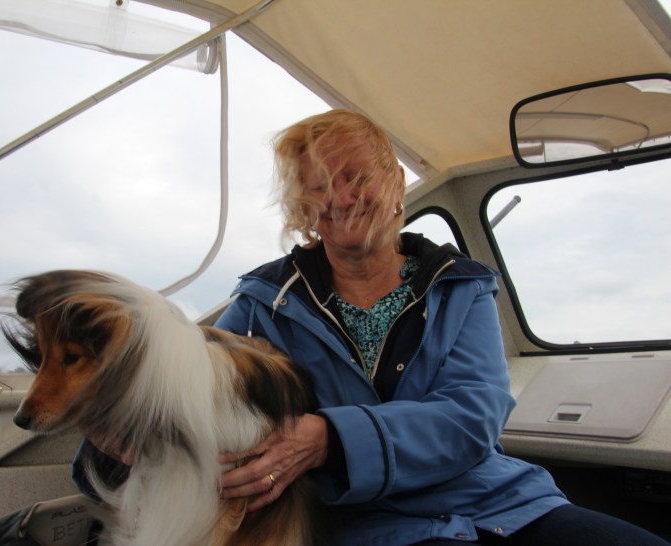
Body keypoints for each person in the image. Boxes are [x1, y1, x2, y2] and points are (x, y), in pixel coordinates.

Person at [212, 108, 669, 545]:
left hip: (496, 500)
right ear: (303, 207)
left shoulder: (462, 286)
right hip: (360, 521)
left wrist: (331, 439)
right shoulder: (264, 301)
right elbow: (197, 383)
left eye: (357, 177)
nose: (342, 198)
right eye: (322, 186)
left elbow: (474, 415)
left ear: (394, 183)